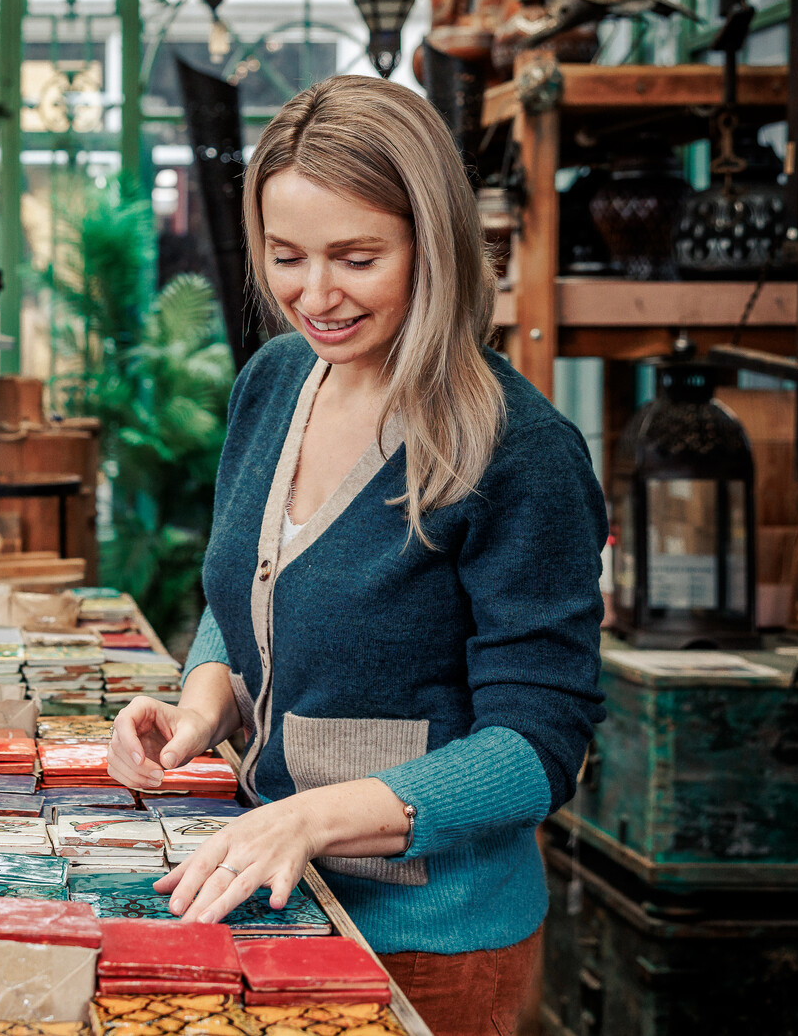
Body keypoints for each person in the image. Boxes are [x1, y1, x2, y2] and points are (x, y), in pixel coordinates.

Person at [107, 75, 606, 1036]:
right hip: (274, 900)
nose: (316, 295)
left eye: (358, 257)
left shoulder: (517, 452)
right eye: (287, 257)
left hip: (430, 939)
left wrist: (315, 815)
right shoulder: (276, 380)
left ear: (435, 244)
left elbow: (541, 745)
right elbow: (247, 584)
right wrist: (200, 707)